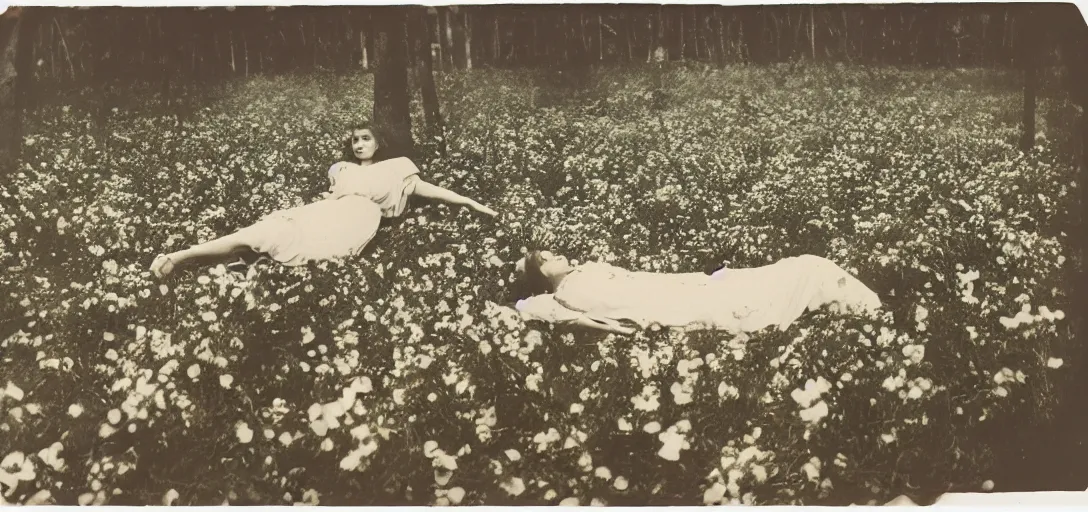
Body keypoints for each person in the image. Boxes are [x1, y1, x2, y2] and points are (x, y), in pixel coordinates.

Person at [149, 124, 497, 278]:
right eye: (355, 140)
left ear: (379, 142)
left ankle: (243, 266)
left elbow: (431, 190)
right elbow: (329, 199)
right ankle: (181, 257)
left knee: (303, 251)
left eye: (366, 138)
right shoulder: (342, 169)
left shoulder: (396, 169)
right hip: (325, 212)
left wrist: (468, 202)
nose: (359, 144)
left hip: (357, 220)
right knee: (263, 231)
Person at [513, 250, 881, 335]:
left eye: (549, 250)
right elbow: (525, 307)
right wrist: (620, 329)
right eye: (544, 260)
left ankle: (862, 309)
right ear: (542, 278)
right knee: (801, 270)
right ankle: (869, 314)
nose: (555, 253)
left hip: (684, 286)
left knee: (795, 268)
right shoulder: (559, 299)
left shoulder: (586, 270)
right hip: (676, 306)